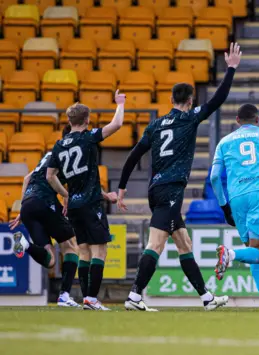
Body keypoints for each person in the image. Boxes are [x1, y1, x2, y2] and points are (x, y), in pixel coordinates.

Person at [117, 43, 242, 312]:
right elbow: (218, 100)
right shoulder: (189, 118)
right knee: (156, 243)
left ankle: (207, 298)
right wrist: (230, 69)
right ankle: (135, 296)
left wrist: (122, 187)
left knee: (183, 241)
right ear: (189, 101)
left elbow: (133, 156)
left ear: (171, 100)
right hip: (171, 189)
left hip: (156, 188)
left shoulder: (155, 125)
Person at [11, 125, 118, 308]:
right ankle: (64, 295)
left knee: (50, 260)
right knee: (71, 246)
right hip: (45, 201)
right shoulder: (70, 152)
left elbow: (27, 178)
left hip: (28, 203)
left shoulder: (52, 152)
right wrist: (103, 196)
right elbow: (77, 184)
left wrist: (23, 208)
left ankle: (26, 245)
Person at [45, 92, 126, 311]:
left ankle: (87, 298)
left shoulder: (59, 145)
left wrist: (65, 194)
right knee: (100, 250)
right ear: (87, 120)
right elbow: (117, 123)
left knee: (83, 251)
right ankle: (91, 298)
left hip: (74, 206)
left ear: (69, 121)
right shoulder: (89, 137)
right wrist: (120, 104)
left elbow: (49, 175)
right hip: (91, 203)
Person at [210, 103, 259, 312]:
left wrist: (224, 207)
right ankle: (230, 255)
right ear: (257, 120)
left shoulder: (224, 142)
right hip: (258, 195)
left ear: (237, 121)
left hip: (236, 198)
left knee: (252, 250)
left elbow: (215, 177)